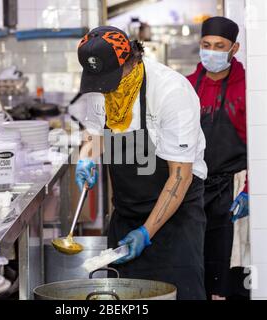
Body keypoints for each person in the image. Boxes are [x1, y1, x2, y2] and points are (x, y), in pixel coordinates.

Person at [75, 26, 208, 300]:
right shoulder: (99, 82)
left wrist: (147, 232)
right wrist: (85, 158)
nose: (105, 87)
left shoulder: (172, 91)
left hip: (176, 220)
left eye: (111, 78)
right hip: (126, 213)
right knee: (123, 301)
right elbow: (94, 132)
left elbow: (180, 177)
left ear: (132, 59)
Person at [187, 16, 249, 300]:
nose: (211, 51)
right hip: (194, 187)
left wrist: (249, 190)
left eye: (219, 46)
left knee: (228, 269)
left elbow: (260, 148)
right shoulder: (187, 85)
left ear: (233, 49)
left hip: (231, 190)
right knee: (195, 263)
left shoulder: (247, 87)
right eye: (206, 45)